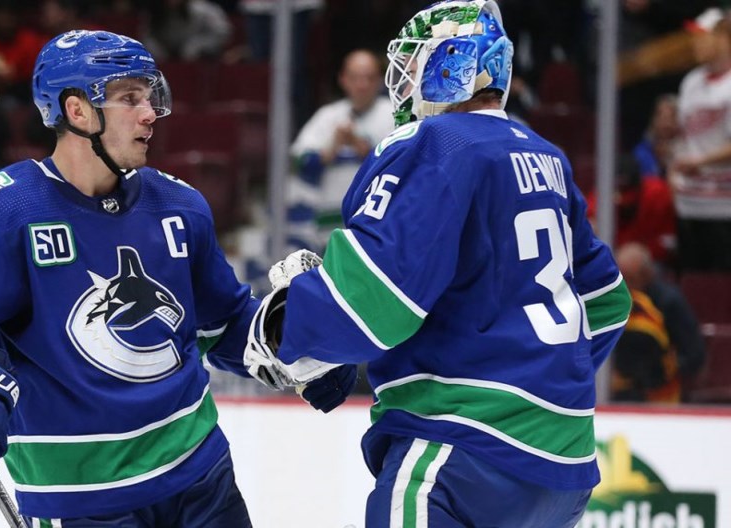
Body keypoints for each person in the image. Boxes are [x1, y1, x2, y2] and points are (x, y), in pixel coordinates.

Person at [0, 29, 355, 527]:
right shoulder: (3, 210)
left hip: (202, 476)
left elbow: (223, 322)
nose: (150, 114)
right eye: (129, 98)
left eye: (150, 96)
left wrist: (298, 339)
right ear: (77, 111)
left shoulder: (179, 205)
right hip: (81, 497)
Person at [243, 2, 632, 526]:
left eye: (415, 64)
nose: (403, 84)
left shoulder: (436, 141)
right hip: (565, 465)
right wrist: (546, 375)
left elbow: (376, 301)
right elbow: (607, 302)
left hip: (462, 447)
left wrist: (295, 327)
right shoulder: (545, 154)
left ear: (455, 65)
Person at [287, 49, 394, 251]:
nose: (362, 85)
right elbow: (299, 162)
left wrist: (361, 146)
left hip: (377, 223)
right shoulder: (327, 115)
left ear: (380, 80)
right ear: (343, 79)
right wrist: (332, 147)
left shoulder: (393, 114)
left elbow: (402, 165)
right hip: (329, 222)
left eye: (369, 78)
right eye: (355, 78)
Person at [670, 8, 731, 271]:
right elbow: (683, 135)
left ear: (723, 39)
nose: (696, 43)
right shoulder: (690, 82)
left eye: (703, 36)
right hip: (688, 203)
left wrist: (701, 160)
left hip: (724, 205)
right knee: (691, 280)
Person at [613, 242, 706, 402]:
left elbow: (694, 354)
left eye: (630, 279)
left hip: (662, 397)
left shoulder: (669, 302)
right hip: (616, 396)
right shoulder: (611, 300)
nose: (626, 287)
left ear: (647, 275)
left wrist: (661, 369)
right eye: (620, 280)